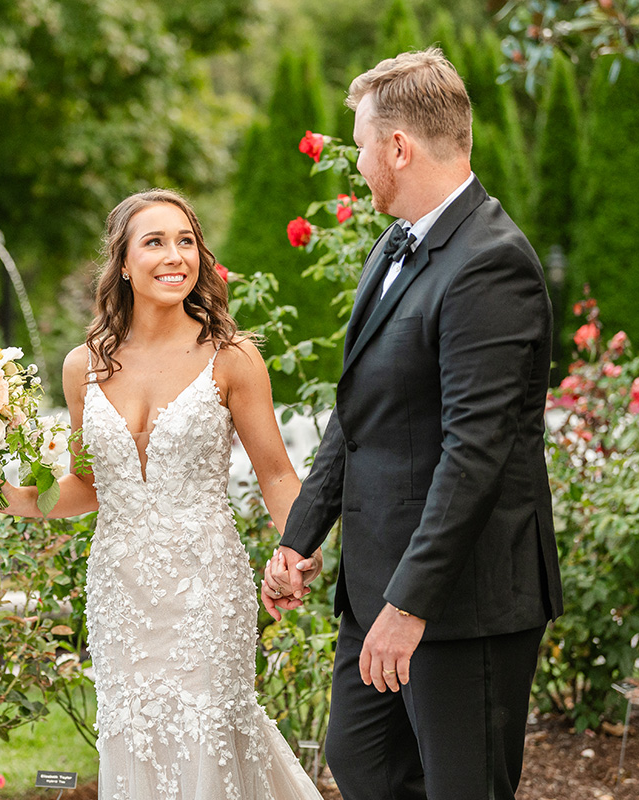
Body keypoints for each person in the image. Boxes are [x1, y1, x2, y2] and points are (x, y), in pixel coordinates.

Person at [262, 49, 564, 800]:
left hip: (459, 605)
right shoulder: (392, 247)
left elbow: (476, 452)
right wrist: (301, 535)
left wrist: (410, 604)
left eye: (362, 145)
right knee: (362, 760)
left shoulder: (491, 264)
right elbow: (358, 415)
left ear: (398, 147)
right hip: (377, 594)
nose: (358, 162)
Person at [2, 188, 325, 799]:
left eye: (186, 241)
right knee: (134, 732)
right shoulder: (83, 366)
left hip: (205, 585)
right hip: (120, 590)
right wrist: (13, 498)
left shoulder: (231, 358)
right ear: (123, 263)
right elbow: (88, 485)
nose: (175, 255)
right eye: (154, 242)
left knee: (210, 729)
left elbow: (277, 474)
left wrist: (296, 549)